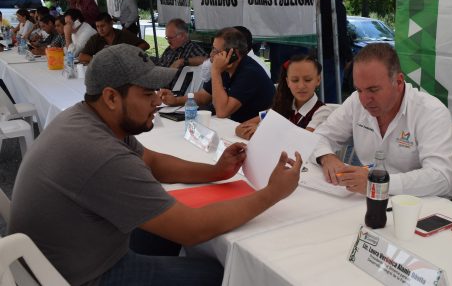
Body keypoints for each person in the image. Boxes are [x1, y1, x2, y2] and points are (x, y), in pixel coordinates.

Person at [8, 43, 302, 285]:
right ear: (111, 97)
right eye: (147, 94)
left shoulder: (87, 117)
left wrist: (217, 171)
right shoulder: (100, 152)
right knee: (222, 275)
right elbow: (193, 229)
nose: (157, 102)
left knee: (164, 231)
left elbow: (151, 161)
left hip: (69, 257)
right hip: (79, 276)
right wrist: (272, 193)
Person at [313, 43, 452, 197]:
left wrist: (378, 183)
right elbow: (319, 137)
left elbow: (442, 178)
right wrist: (327, 157)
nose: (365, 100)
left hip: (419, 206)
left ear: (399, 82)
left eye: (373, 90)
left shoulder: (430, 112)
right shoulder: (356, 102)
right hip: (369, 201)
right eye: (359, 89)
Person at [161, 27, 276, 123]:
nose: (211, 54)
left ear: (234, 54)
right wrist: (175, 101)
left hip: (250, 131)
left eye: (216, 51)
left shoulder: (250, 73)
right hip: (231, 126)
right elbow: (204, 96)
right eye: (212, 49)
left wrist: (215, 71)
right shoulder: (226, 67)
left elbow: (222, 111)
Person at [235, 54, 331, 139]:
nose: (301, 86)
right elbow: (242, 127)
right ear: (288, 82)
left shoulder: (322, 112)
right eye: (295, 80)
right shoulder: (281, 107)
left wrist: (263, 131)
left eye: (308, 80)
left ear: (318, 80)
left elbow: (302, 141)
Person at [320, 0, 353, 102]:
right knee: (332, 97)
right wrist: (348, 56)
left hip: (323, 55)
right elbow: (340, 33)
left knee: (326, 94)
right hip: (333, 57)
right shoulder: (336, 6)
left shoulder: (321, 3)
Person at [200, 26, 270, 82]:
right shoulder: (227, 62)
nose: (212, 53)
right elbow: (205, 78)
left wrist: (216, 72)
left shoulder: (253, 71)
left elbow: (222, 100)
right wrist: (212, 60)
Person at [79, 12, 149, 63]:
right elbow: (82, 56)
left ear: (111, 24)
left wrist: (131, 53)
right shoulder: (95, 39)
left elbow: (145, 45)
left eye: (103, 26)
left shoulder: (123, 34)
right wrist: (97, 60)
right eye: (97, 27)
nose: (100, 29)